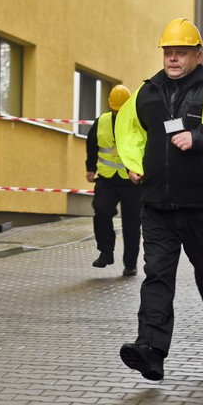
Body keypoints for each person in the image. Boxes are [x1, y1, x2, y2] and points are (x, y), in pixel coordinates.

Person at [114, 18, 203, 380]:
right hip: (156, 205)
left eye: (181, 53)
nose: (173, 59)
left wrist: (200, 138)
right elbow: (129, 134)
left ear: (197, 54)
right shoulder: (147, 93)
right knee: (157, 276)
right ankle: (151, 350)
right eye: (168, 52)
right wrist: (132, 165)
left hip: (201, 205)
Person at [85, 84, 141, 277]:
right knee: (101, 211)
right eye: (115, 109)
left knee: (132, 224)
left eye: (121, 109)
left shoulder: (136, 123)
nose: (118, 112)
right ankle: (106, 252)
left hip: (131, 181)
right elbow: (92, 145)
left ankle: (130, 264)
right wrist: (90, 168)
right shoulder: (101, 122)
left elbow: (144, 147)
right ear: (110, 106)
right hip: (107, 178)